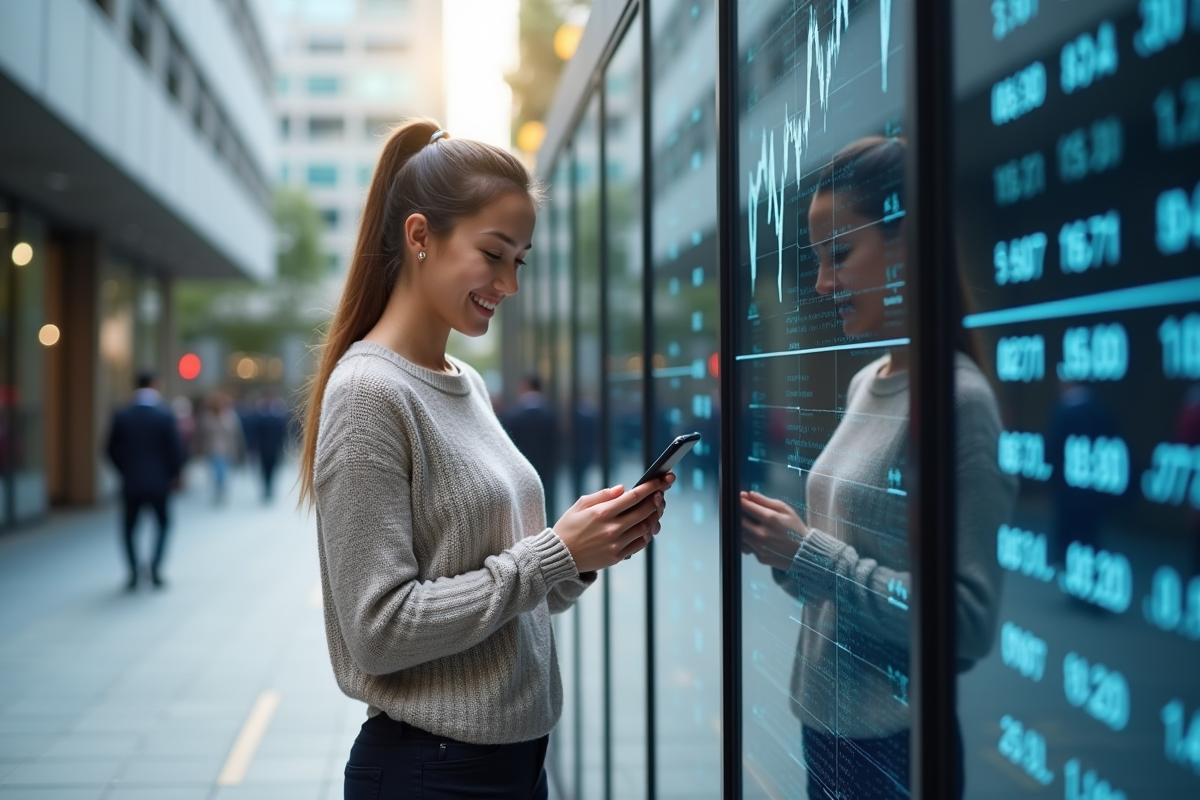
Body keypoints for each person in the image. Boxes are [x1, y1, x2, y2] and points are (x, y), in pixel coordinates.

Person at [297, 118, 675, 799]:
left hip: (508, 764)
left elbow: (502, 593)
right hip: (433, 773)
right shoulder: (368, 394)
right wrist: (552, 554)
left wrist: (586, 548)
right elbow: (379, 630)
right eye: (494, 253)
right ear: (419, 237)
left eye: (520, 259)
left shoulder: (463, 380)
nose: (510, 282)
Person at [739, 137, 1016, 800]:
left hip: (894, 747)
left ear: (905, 245)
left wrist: (808, 554)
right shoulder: (870, 381)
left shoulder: (958, 402)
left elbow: (967, 622)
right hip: (831, 730)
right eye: (817, 260)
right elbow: (850, 557)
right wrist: (786, 549)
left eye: (840, 256)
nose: (824, 284)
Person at [105, 370, 187, 590]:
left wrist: (125, 470)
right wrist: (172, 475)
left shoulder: (122, 414)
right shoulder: (164, 414)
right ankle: (156, 568)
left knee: (129, 528)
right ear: (155, 384)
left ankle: (132, 572)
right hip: (160, 483)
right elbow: (176, 451)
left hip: (131, 482)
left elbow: (109, 449)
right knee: (163, 524)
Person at [502, 374, 558, 513]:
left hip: (522, 464)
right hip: (546, 463)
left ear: (526, 387)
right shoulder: (550, 412)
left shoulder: (514, 413)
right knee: (547, 498)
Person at [198, 391, 244, 504]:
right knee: (216, 472)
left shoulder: (230, 415)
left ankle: (221, 490)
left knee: (222, 472)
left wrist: (239, 450)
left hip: (226, 450)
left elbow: (236, 434)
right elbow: (202, 434)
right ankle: (218, 490)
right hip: (212, 450)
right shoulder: (207, 417)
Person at [255, 396, 288, 502]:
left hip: (270, 448)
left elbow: (282, 434)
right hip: (266, 449)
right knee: (267, 469)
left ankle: (268, 488)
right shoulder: (264, 418)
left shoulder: (275, 418)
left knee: (270, 469)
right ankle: (268, 487)